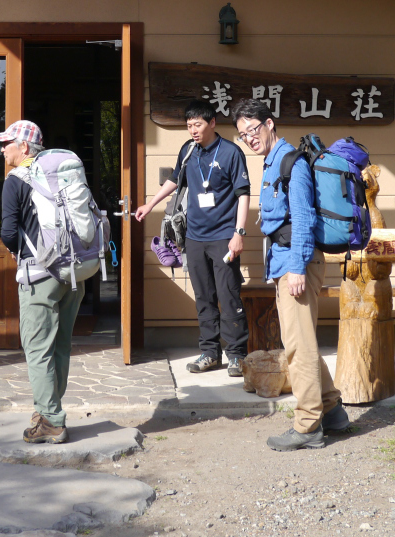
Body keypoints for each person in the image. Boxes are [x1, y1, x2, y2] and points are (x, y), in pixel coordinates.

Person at [232, 97, 349, 450]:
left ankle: (308, 425)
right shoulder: (271, 162)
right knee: (303, 342)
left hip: (296, 262)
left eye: (252, 130)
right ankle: (331, 411)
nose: (249, 138)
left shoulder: (290, 163)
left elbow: (303, 219)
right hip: (285, 261)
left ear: (269, 124)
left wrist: (296, 267)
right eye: (242, 135)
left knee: (297, 348)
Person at [135, 100, 251, 377]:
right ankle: (210, 353)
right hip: (195, 238)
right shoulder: (188, 151)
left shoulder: (231, 152)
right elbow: (175, 180)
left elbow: (243, 194)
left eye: (197, 124)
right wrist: (150, 205)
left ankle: (236, 355)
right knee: (203, 297)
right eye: (189, 126)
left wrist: (239, 233)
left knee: (228, 294)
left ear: (212, 123)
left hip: (224, 236)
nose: (193, 130)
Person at [0, 119, 78, 445]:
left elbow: (7, 232)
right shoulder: (62, 175)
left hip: (39, 274)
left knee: (37, 349)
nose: (2, 149)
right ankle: (47, 410)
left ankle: (51, 421)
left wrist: (19, 253)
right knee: (60, 346)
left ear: (24, 147)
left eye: (7, 143)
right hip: (73, 273)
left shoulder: (15, 180)